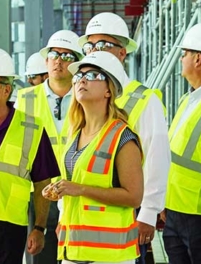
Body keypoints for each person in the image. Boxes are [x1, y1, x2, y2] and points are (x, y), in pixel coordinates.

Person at [79, 12, 170, 263]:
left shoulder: (144, 99)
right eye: (89, 45)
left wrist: (148, 213)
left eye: (103, 45)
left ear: (122, 52)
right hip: (87, 211)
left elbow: (156, 158)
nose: (93, 51)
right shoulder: (82, 98)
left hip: (129, 210)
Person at [43, 51, 144, 264]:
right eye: (79, 77)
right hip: (74, 250)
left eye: (92, 76)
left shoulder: (122, 137)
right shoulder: (75, 133)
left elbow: (134, 197)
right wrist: (59, 192)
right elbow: (75, 185)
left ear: (109, 90)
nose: (82, 81)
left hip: (110, 255)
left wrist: (79, 189)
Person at [0, 48, 60, 264]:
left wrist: (38, 227)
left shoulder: (32, 128)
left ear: (6, 89)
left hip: (12, 224)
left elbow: (43, 182)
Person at [17, 30, 84, 264]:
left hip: (76, 190)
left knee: (73, 257)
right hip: (36, 192)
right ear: (46, 61)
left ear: (77, 64)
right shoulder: (24, 98)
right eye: (54, 54)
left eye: (67, 56)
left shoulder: (86, 97)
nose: (59, 60)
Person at [163, 22, 201, 263]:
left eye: (185, 54)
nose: (181, 59)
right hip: (176, 208)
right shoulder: (187, 100)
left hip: (199, 214)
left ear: (198, 59)